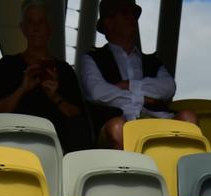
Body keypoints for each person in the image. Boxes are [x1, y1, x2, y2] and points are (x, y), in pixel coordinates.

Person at [80, 0, 197, 148]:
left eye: (135, 14)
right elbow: (97, 92)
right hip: (118, 122)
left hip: (158, 120)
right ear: (108, 22)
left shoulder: (153, 61)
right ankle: (128, 170)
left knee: (189, 117)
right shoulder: (92, 58)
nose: (132, 18)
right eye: (125, 13)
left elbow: (169, 87)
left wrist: (129, 85)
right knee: (116, 128)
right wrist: (145, 99)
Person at [0, 0, 93, 153]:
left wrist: (55, 96)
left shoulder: (64, 70)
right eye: (31, 22)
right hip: (19, 137)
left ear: (49, 28)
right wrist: (22, 89)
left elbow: (79, 117)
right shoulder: (8, 65)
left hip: (58, 141)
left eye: (41, 22)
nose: (36, 28)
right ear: (23, 28)